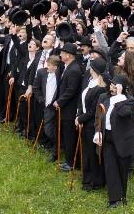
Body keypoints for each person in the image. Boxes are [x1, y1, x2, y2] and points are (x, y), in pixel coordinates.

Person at [94, 74, 134, 208]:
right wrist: (98, 132)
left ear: (122, 88)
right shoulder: (103, 97)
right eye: (111, 85)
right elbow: (98, 117)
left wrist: (119, 95)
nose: (111, 87)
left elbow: (124, 112)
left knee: (122, 169)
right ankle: (115, 199)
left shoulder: (129, 101)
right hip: (107, 138)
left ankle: (122, 194)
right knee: (110, 167)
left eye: (115, 86)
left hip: (123, 140)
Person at [75, 56, 108, 191]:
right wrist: (78, 115)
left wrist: (80, 119)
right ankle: (87, 178)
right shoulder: (91, 82)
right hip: (84, 122)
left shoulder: (100, 88)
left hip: (91, 125)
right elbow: (82, 101)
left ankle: (95, 181)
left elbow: (93, 111)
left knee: (92, 154)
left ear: (94, 70)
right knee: (86, 152)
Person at [53, 42, 83, 171]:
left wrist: (59, 101)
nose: (60, 55)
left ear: (68, 55)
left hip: (69, 110)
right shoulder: (68, 66)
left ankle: (71, 163)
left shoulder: (74, 70)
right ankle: (70, 160)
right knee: (67, 135)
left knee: (70, 136)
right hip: (66, 108)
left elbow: (71, 90)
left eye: (62, 53)